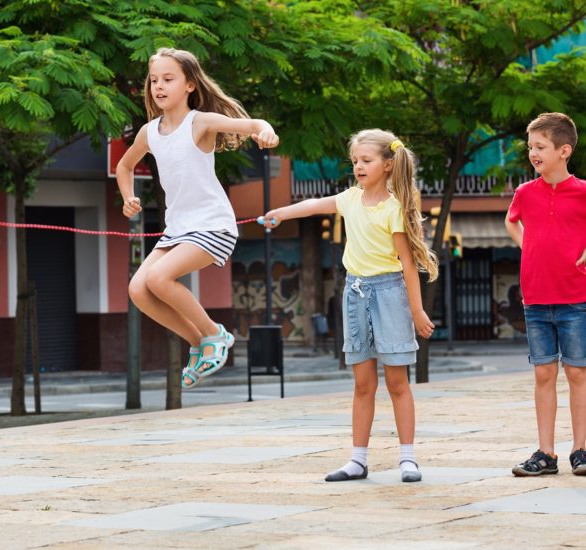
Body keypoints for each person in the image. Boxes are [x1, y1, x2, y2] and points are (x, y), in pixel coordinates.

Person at [263, 129, 437, 482]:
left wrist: (417, 311)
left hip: (390, 294)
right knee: (362, 383)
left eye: (366, 161)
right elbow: (314, 205)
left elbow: (407, 265)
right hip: (355, 293)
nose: (359, 166)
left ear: (388, 165)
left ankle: (408, 458)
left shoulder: (395, 208)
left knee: (397, 382)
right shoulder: (349, 199)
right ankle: (358, 459)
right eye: (355, 161)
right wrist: (280, 212)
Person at [116, 48, 279, 390]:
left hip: (212, 225)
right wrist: (128, 196)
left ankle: (215, 334)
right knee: (138, 290)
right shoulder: (149, 132)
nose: (158, 86)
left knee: (159, 278)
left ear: (190, 84)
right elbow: (125, 166)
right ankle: (198, 343)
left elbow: (252, 124)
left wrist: (265, 132)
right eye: (154, 80)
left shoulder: (199, 122)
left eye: (168, 79)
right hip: (178, 229)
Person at [505, 112, 586, 477]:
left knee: (578, 374)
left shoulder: (583, 192)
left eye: (540, 147)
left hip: (576, 298)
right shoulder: (525, 192)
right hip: (535, 298)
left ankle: (581, 450)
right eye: (530, 147)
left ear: (563, 150)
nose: (532, 153)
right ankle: (546, 453)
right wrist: (528, 247)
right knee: (543, 375)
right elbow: (511, 220)